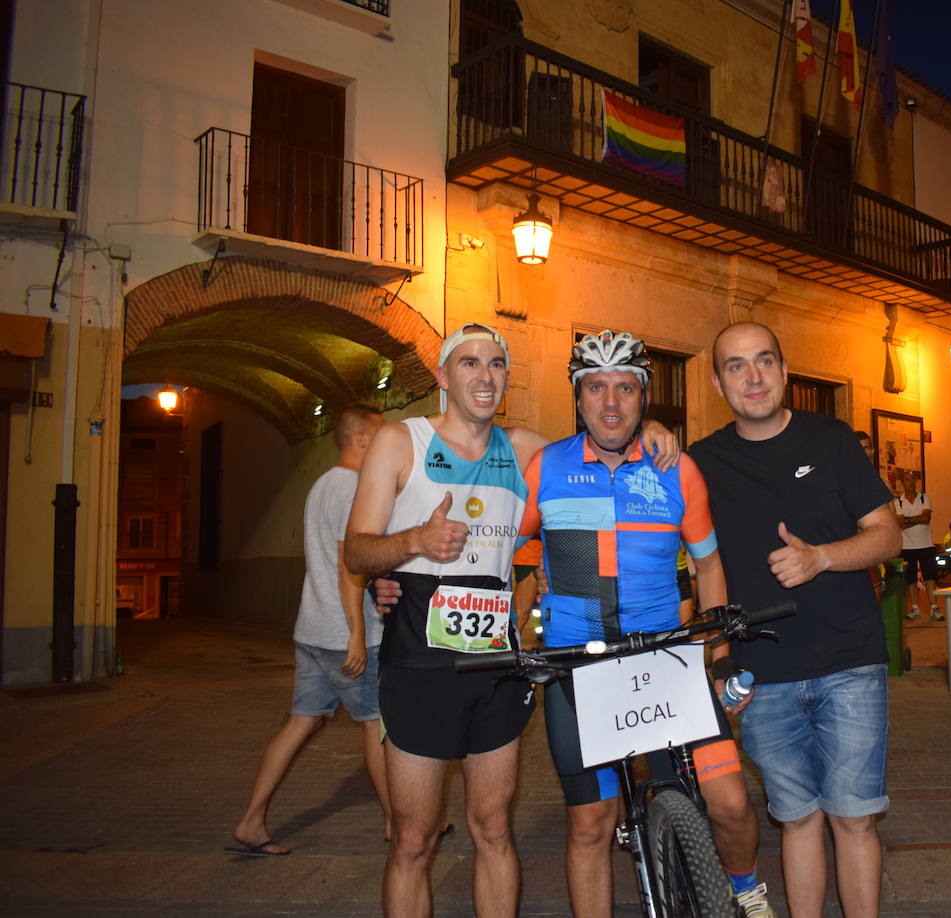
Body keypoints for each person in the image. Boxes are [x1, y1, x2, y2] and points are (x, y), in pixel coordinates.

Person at [345, 323, 682, 917]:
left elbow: (601, 446)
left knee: (495, 827)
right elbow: (357, 551)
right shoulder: (403, 442)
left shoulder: (528, 449)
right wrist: (413, 543)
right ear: (445, 376)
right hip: (420, 664)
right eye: (470, 362)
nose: (485, 374)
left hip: (500, 666)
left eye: (497, 364)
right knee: (414, 839)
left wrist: (649, 430)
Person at [516, 329, 774, 918]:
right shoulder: (546, 468)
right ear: (578, 397)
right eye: (597, 387)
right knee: (590, 825)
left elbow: (708, 565)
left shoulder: (675, 470)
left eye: (626, 388)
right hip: (576, 668)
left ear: (644, 398)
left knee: (729, 800)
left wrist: (719, 653)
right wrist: (522, 614)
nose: (611, 402)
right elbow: (507, 545)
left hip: (665, 658)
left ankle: (748, 893)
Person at [689, 321, 901, 918]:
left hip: (849, 664)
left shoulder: (832, 441)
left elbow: (888, 535)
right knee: (798, 820)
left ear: (785, 372)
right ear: (717, 382)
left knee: (855, 820)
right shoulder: (701, 462)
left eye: (763, 362)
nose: (752, 377)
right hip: (763, 674)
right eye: (736, 365)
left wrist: (822, 558)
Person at [228, 405, 388, 857]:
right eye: (380, 436)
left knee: (301, 723)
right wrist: (358, 632)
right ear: (361, 440)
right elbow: (348, 565)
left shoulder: (321, 484)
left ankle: (251, 820)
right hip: (345, 635)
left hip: (311, 629)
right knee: (379, 727)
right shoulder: (355, 487)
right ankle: (402, 825)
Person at [894, 470, 942, 621]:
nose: (911, 482)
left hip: (926, 545)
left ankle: (934, 608)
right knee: (911, 579)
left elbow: (926, 518)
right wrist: (915, 519)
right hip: (907, 546)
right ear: (902, 482)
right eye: (907, 479)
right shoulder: (898, 502)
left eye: (913, 479)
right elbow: (900, 523)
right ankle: (915, 608)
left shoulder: (924, 498)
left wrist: (907, 520)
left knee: (930, 577)